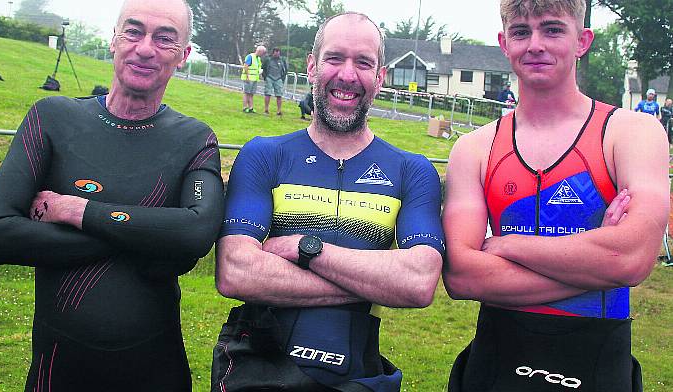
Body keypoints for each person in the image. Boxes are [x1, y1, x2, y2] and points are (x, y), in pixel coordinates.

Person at [0, 0, 224, 390]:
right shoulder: (52, 118)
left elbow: (195, 234)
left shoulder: (194, 139)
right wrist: (148, 238)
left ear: (184, 55)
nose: (145, 48)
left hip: (156, 373)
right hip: (57, 373)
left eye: (165, 39)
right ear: (113, 39)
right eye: (133, 31)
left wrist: (75, 210)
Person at [211, 12, 445, 392]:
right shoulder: (265, 155)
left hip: (356, 375)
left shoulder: (411, 171)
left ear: (380, 78)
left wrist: (305, 249)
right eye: (335, 58)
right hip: (260, 370)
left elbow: (418, 282)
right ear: (311, 67)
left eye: (364, 62)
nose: (348, 75)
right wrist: (376, 281)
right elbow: (236, 271)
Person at [441, 1, 669, 391]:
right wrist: (598, 266)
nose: (535, 44)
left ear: (582, 41)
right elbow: (461, 276)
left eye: (552, 30)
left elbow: (631, 257)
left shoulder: (631, 133)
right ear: (503, 43)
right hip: (497, 359)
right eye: (521, 32)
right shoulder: (474, 149)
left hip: (596, 357)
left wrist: (504, 245)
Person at [262, 47, 288, 115]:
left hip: (278, 78)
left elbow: (285, 70)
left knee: (279, 95)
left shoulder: (282, 60)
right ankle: (266, 109)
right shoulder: (268, 59)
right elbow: (263, 68)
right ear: (273, 53)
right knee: (268, 94)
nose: (277, 54)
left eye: (278, 53)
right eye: (276, 53)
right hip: (269, 78)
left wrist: (282, 78)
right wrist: (265, 77)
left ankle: (279, 111)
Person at [241, 45, 266, 113]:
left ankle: (251, 108)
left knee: (251, 94)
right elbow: (246, 66)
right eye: (263, 53)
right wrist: (247, 76)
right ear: (259, 51)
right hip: (248, 79)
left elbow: (258, 68)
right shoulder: (250, 56)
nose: (263, 54)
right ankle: (244, 107)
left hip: (254, 79)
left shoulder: (258, 58)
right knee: (246, 93)